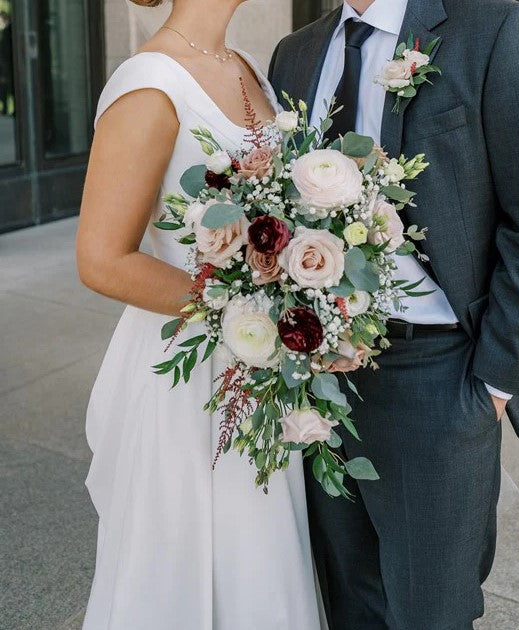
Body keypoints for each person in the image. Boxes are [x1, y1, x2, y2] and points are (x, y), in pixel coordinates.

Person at [269, 0, 519, 628]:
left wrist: (493, 384)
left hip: (440, 379)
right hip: (318, 385)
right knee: (350, 603)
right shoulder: (295, 52)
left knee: (432, 613)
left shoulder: (499, 30)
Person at [76, 1, 322, 628]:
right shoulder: (149, 85)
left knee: (259, 562)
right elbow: (102, 259)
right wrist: (244, 308)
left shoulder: (245, 66)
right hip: (193, 379)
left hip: (261, 367)